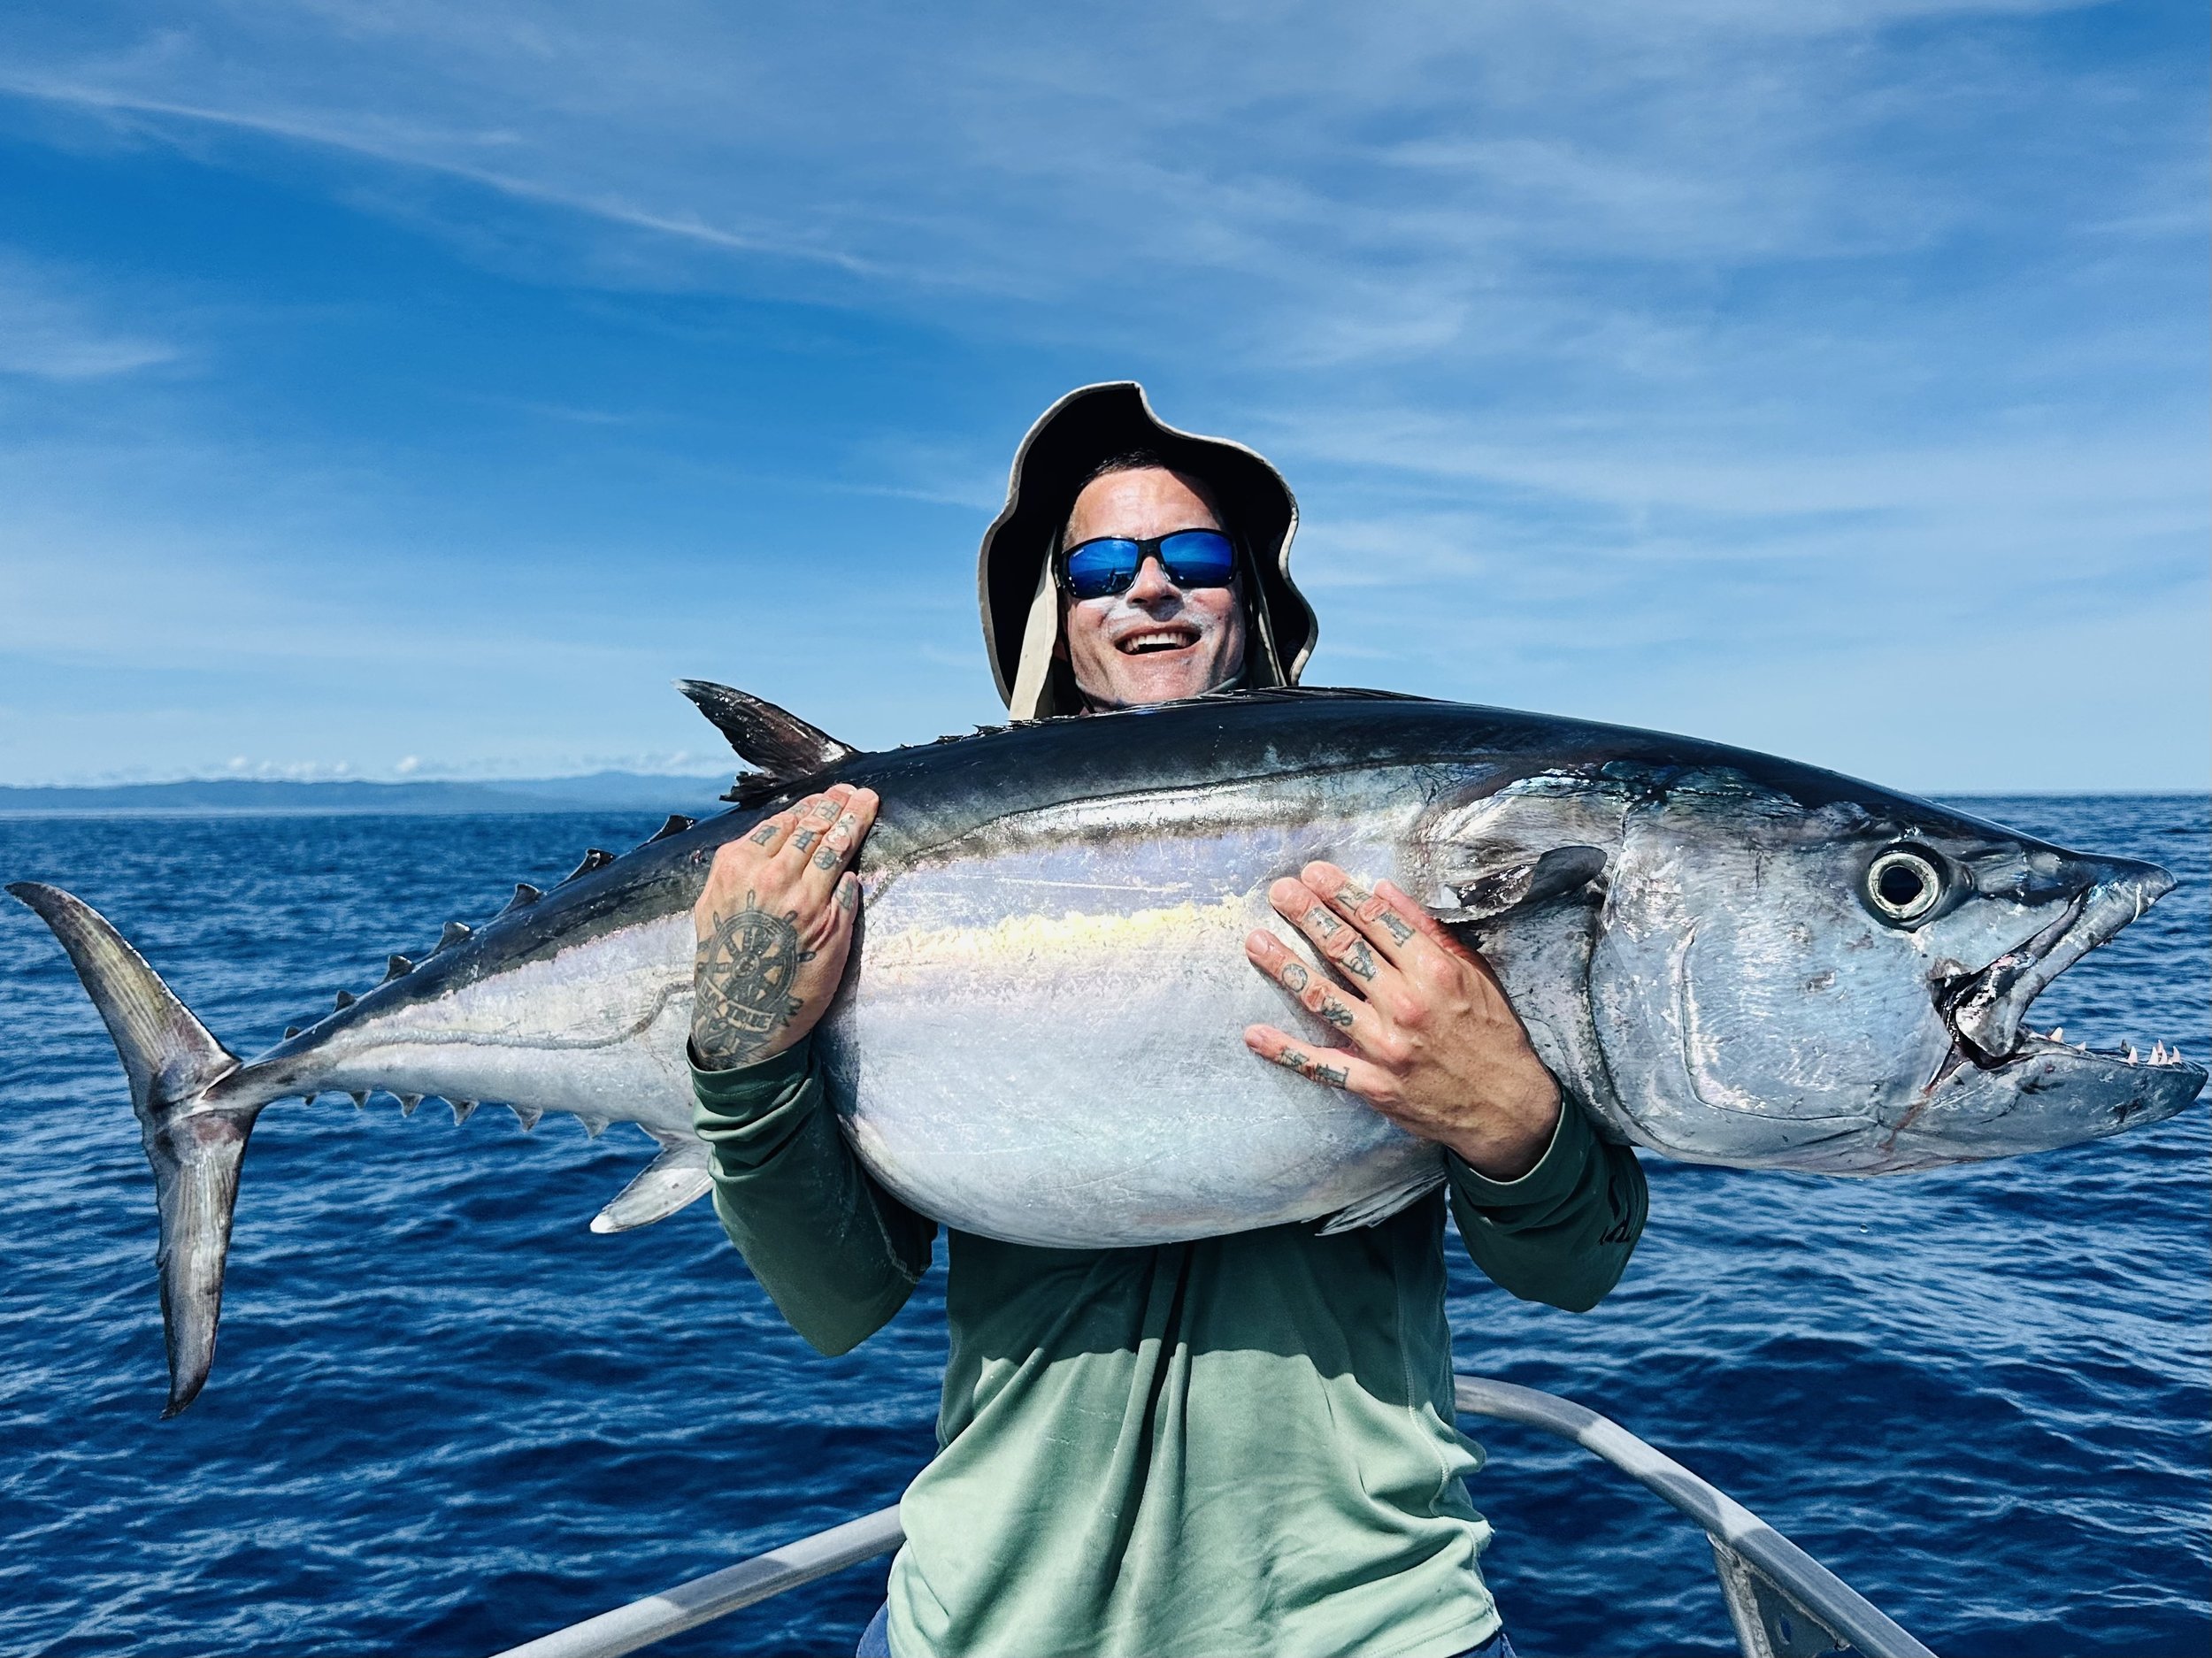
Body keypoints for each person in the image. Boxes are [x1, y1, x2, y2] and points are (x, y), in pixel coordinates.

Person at [687, 383, 1648, 1658]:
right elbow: (839, 1298)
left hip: (1372, 1620)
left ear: (1246, 599)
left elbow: (1573, 1270)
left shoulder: (1411, 844)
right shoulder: (908, 877)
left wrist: (1518, 1123)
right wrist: (743, 1053)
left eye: (1193, 557)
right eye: (1101, 567)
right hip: (992, 1622)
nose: (1150, 588)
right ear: (1059, 615)